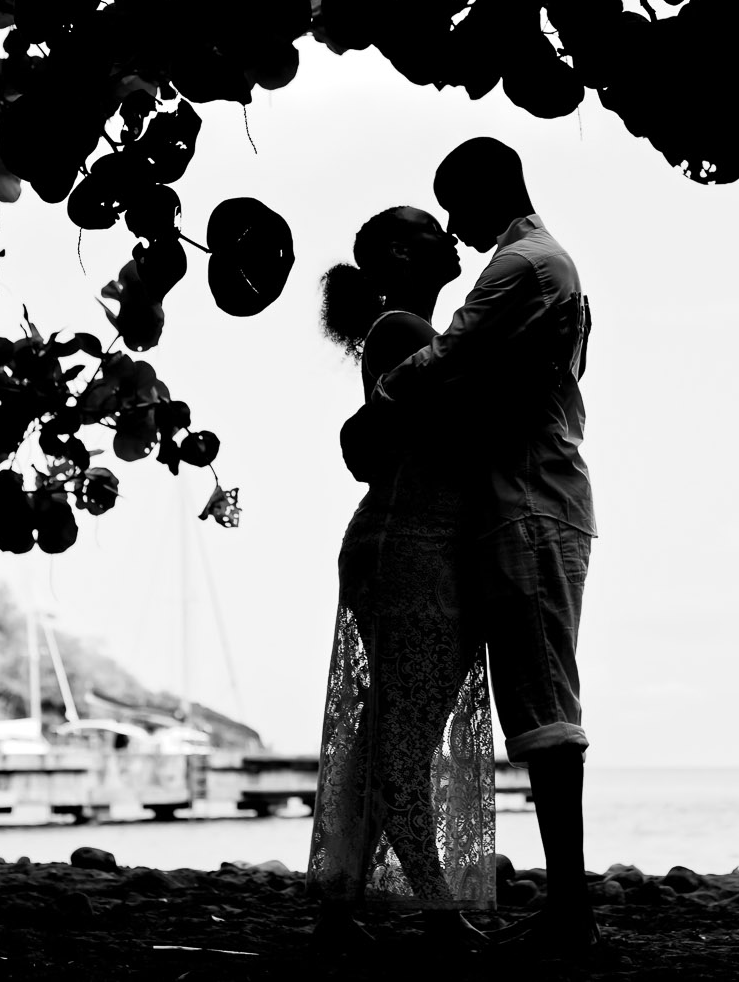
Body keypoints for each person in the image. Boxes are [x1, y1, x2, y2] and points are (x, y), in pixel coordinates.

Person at [370, 137, 600, 957]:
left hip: (530, 505)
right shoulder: (538, 264)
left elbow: (450, 355)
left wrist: (378, 404)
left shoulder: (524, 265)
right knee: (536, 702)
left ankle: (571, 907)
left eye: (456, 205)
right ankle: (567, 902)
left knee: (542, 706)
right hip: (527, 501)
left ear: (486, 190)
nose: (454, 227)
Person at [305, 206, 496, 948]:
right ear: (394, 252)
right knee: (406, 725)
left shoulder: (406, 332)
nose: (451, 236)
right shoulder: (403, 332)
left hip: (414, 540)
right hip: (406, 544)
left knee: (402, 720)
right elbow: (472, 415)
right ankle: (432, 902)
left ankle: (351, 895)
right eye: (428, 233)